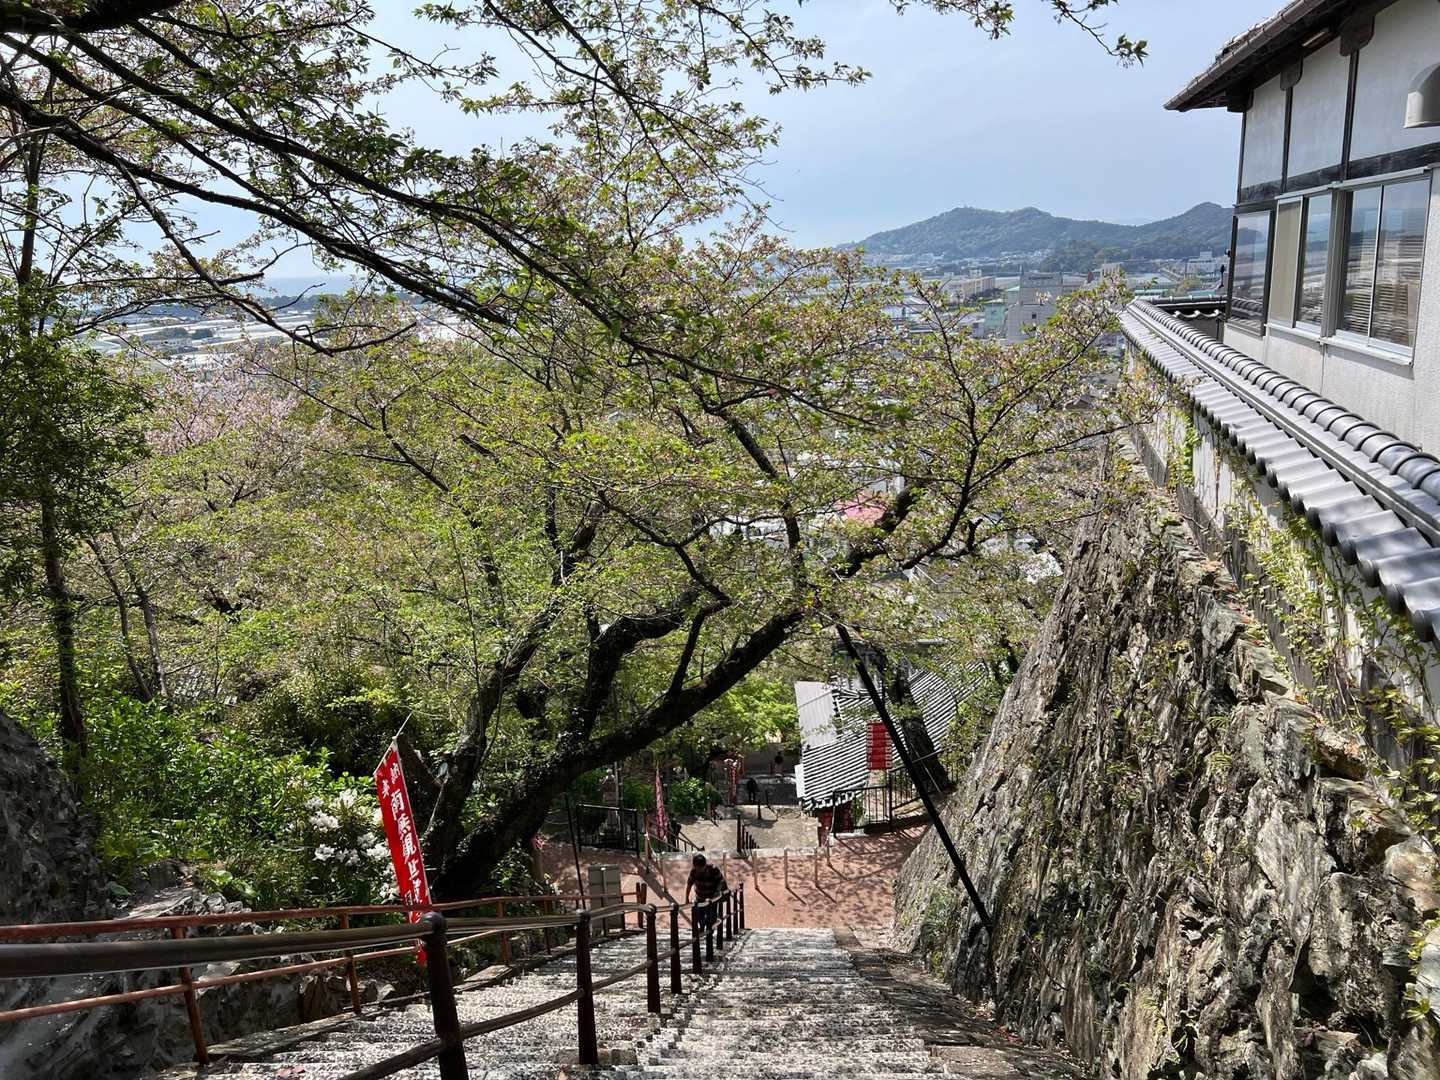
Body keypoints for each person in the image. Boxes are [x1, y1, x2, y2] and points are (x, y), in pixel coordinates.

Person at [685, 854, 727, 933]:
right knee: (700, 916)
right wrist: (686, 898)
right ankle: (702, 929)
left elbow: (721, 881)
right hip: (700, 897)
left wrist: (717, 891)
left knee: (712, 916)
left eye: (701, 868)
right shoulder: (693, 871)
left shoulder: (713, 869)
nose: (699, 870)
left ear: (705, 865)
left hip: (712, 898)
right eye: (697, 868)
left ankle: (709, 932)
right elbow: (689, 884)